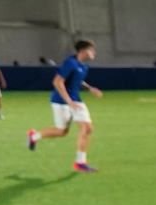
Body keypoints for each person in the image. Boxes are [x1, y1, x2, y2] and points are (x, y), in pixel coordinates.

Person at [27, 38, 104, 173]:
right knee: (61, 131)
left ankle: (80, 163)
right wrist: (69, 101)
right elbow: (57, 82)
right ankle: (34, 136)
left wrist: (90, 88)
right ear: (82, 50)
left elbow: (77, 80)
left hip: (76, 101)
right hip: (60, 101)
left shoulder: (84, 66)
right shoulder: (70, 63)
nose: (94, 53)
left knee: (87, 128)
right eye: (91, 50)